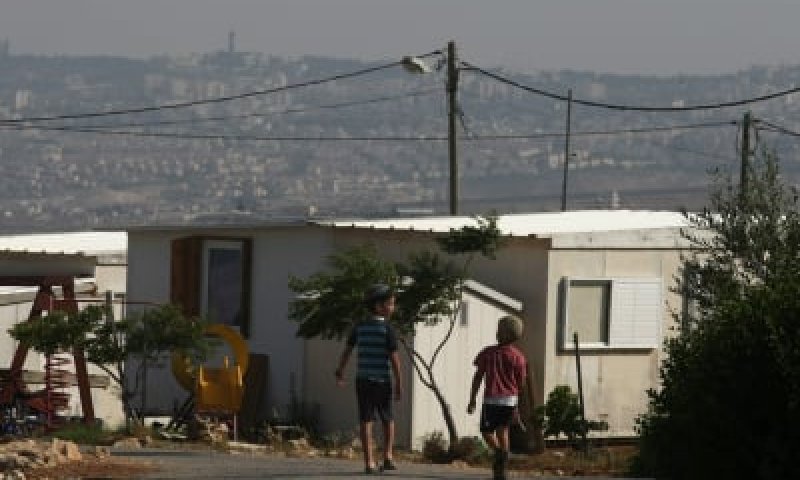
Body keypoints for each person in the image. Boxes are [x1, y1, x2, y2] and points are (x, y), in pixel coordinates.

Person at [335, 284, 403, 474]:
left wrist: (340, 370)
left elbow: (347, 351)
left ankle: (369, 463)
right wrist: (399, 383)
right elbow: (395, 360)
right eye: (390, 304)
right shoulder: (387, 329)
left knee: (366, 420)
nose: (393, 307)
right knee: (388, 418)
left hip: (363, 381)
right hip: (383, 381)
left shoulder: (359, 327)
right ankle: (388, 456)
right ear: (379, 306)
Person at [467, 315, 527, 480]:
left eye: (499, 330)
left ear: (506, 334)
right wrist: (517, 402)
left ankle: (499, 453)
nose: (496, 332)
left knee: (486, 431)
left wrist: (472, 398)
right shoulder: (519, 357)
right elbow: (521, 383)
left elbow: (478, 376)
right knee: (503, 431)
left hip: (492, 400)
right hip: (510, 401)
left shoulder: (488, 353)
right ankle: (503, 466)